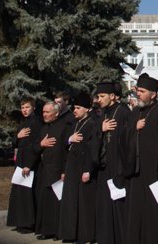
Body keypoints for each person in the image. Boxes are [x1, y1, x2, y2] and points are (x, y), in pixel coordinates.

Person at [122, 73, 158, 243]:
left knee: (153, 215)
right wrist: (133, 128)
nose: (138, 93)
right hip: (136, 171)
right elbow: (123, 137)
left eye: (142, 91)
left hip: (154, 173)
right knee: (136, 212)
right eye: (138, 90)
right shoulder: (136, 111)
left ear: (152, 94)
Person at [59, 92, 98, 243]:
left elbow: (92, 149)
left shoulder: (92, 124)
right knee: (71, 200)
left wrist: (88, 169)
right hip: (72, 167)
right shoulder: (74, 123)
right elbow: (64, 142)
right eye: (74, 108)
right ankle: (70, 233)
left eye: (78, 108)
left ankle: (85, 235)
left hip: (83, 167)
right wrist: (70, 139)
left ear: (87, 109)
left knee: (83, 202)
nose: (75, 111)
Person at [94, 81, 130, 244]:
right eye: (98, 96)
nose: (99, 100)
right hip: (104, 167)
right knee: (105, 207)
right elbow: (95, 139)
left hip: (118, 167)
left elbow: (127, 141)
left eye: (102, 96)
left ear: (113, 96)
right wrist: (101, 130)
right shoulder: (103, 113)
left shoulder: (123, 112)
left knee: (118, 207)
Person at [34, 101, 71, 240]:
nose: (44, 115)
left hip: (58, 169)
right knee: (45, 201)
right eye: (43, 112)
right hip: (44, 170)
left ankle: (57, 231)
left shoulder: (64, 127)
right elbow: (34, 148)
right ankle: (46, 230)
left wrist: (64, 170)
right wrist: (41, 144)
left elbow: (66, 150)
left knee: (56, 202)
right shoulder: (43, 128)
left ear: (56, 113)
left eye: (47, 112)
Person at [7, 97, 41, 233]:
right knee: (18, 191)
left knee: (27, 192)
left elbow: (36, 145)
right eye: (22, 108)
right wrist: (18, 136)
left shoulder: (36, 123)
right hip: (20, 160)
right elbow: (14, 142)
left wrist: (29, 164)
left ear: (33, 108)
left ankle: (28, 223)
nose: (24, 110)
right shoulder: (22, 123)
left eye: (27, 107)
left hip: (28, 161)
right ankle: (19, 221)